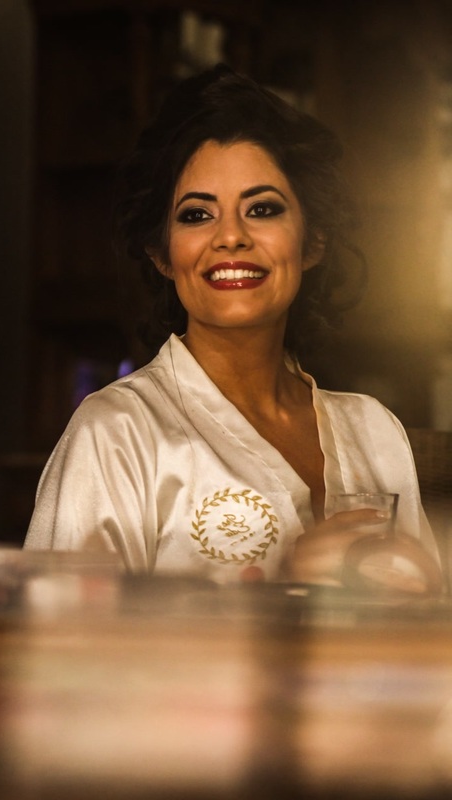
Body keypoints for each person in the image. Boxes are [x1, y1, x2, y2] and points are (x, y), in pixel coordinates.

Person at [23, 64, 441, 592]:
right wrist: (281, 592)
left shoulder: (375, 432)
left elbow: (430, 620)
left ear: (312, 242)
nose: (230, 237)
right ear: (162, 254)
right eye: (197, 215)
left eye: (262, 209)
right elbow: (55, 634)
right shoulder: (116, 432)